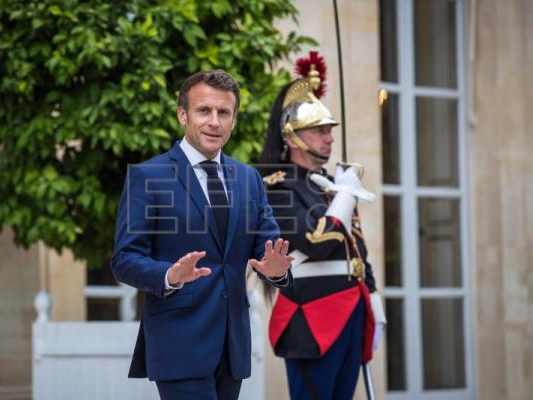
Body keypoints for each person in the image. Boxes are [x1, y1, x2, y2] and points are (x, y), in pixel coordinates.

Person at [111, 69, 294, 400]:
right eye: (204, 111)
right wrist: (169, 274)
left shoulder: (249, 179)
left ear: (234, 120)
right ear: (183, 115)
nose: (214, 121)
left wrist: (278, 272)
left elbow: (268, 249)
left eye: (224, 112)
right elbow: (124, 259)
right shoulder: (148, 176)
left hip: (232, 347)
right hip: (178, 342)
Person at [259, 52, 387, 400]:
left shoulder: (330, 185)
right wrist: (345, 196)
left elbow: (356, 247)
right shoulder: (277, 187)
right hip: (312, 318)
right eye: (319, 131)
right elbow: (318, 240)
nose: (329, 138)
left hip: (351, 310)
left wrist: (373, 300)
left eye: (329, 130)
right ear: (292, 136)